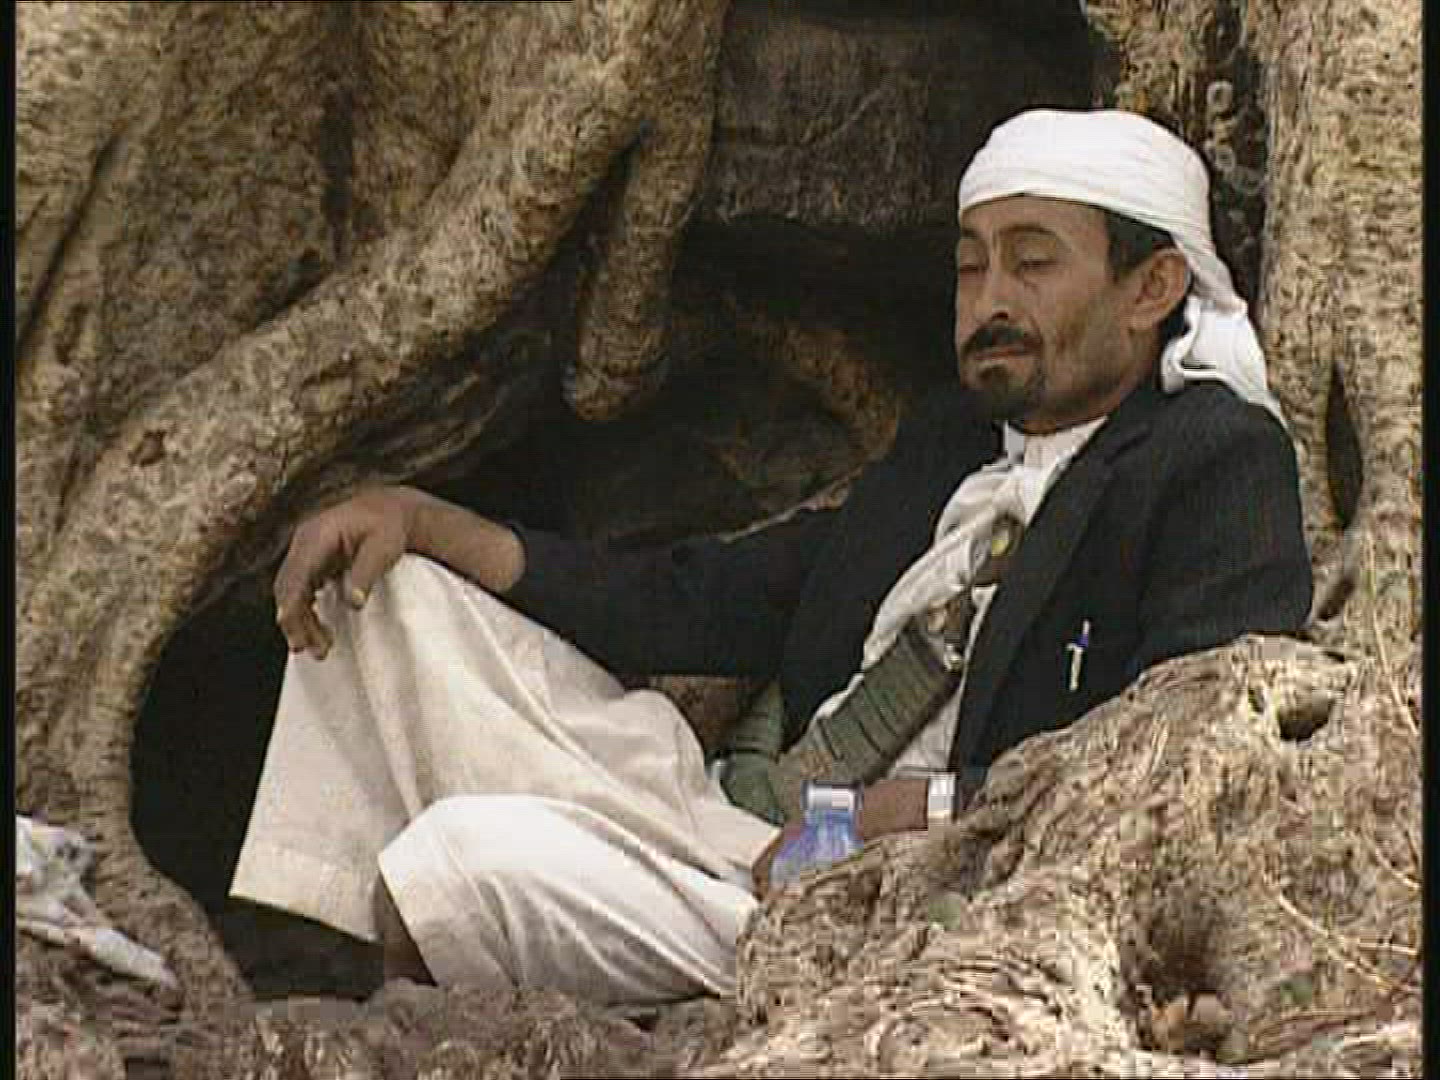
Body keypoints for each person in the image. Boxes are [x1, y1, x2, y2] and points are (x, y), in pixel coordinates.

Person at [230, 109, 1311, 1005]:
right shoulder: (949, 443)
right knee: (393, 594)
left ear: (1151, 288)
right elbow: (709, 597)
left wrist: (910, 817)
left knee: (464, 859)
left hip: (879, 912)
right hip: (736, 828)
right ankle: (317, 950)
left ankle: (372, 987)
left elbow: (1195, 759)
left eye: (1033, 263)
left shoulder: (1211, 459)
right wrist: (424, 517)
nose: (990, 301)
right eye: (970, 265)